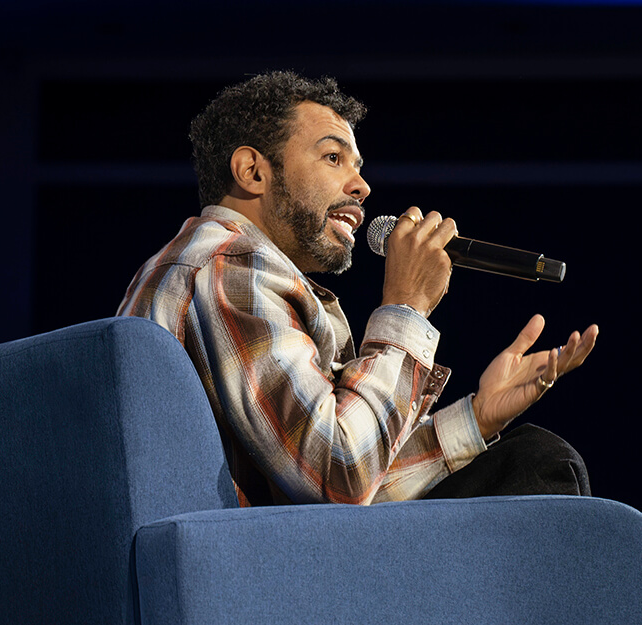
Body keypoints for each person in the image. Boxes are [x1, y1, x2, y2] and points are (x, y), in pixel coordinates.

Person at [117, 71, 598, 507]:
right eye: (333, 157)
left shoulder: (215, 264)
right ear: (253, 171)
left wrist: (478, 418)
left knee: (522, 452)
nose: (362, 185)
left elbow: (348, 483)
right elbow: (341, 480)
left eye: (358, 165)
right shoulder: (232, 267)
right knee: (536, 463)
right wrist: (406, 309)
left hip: (258, 554)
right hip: (253, 579)